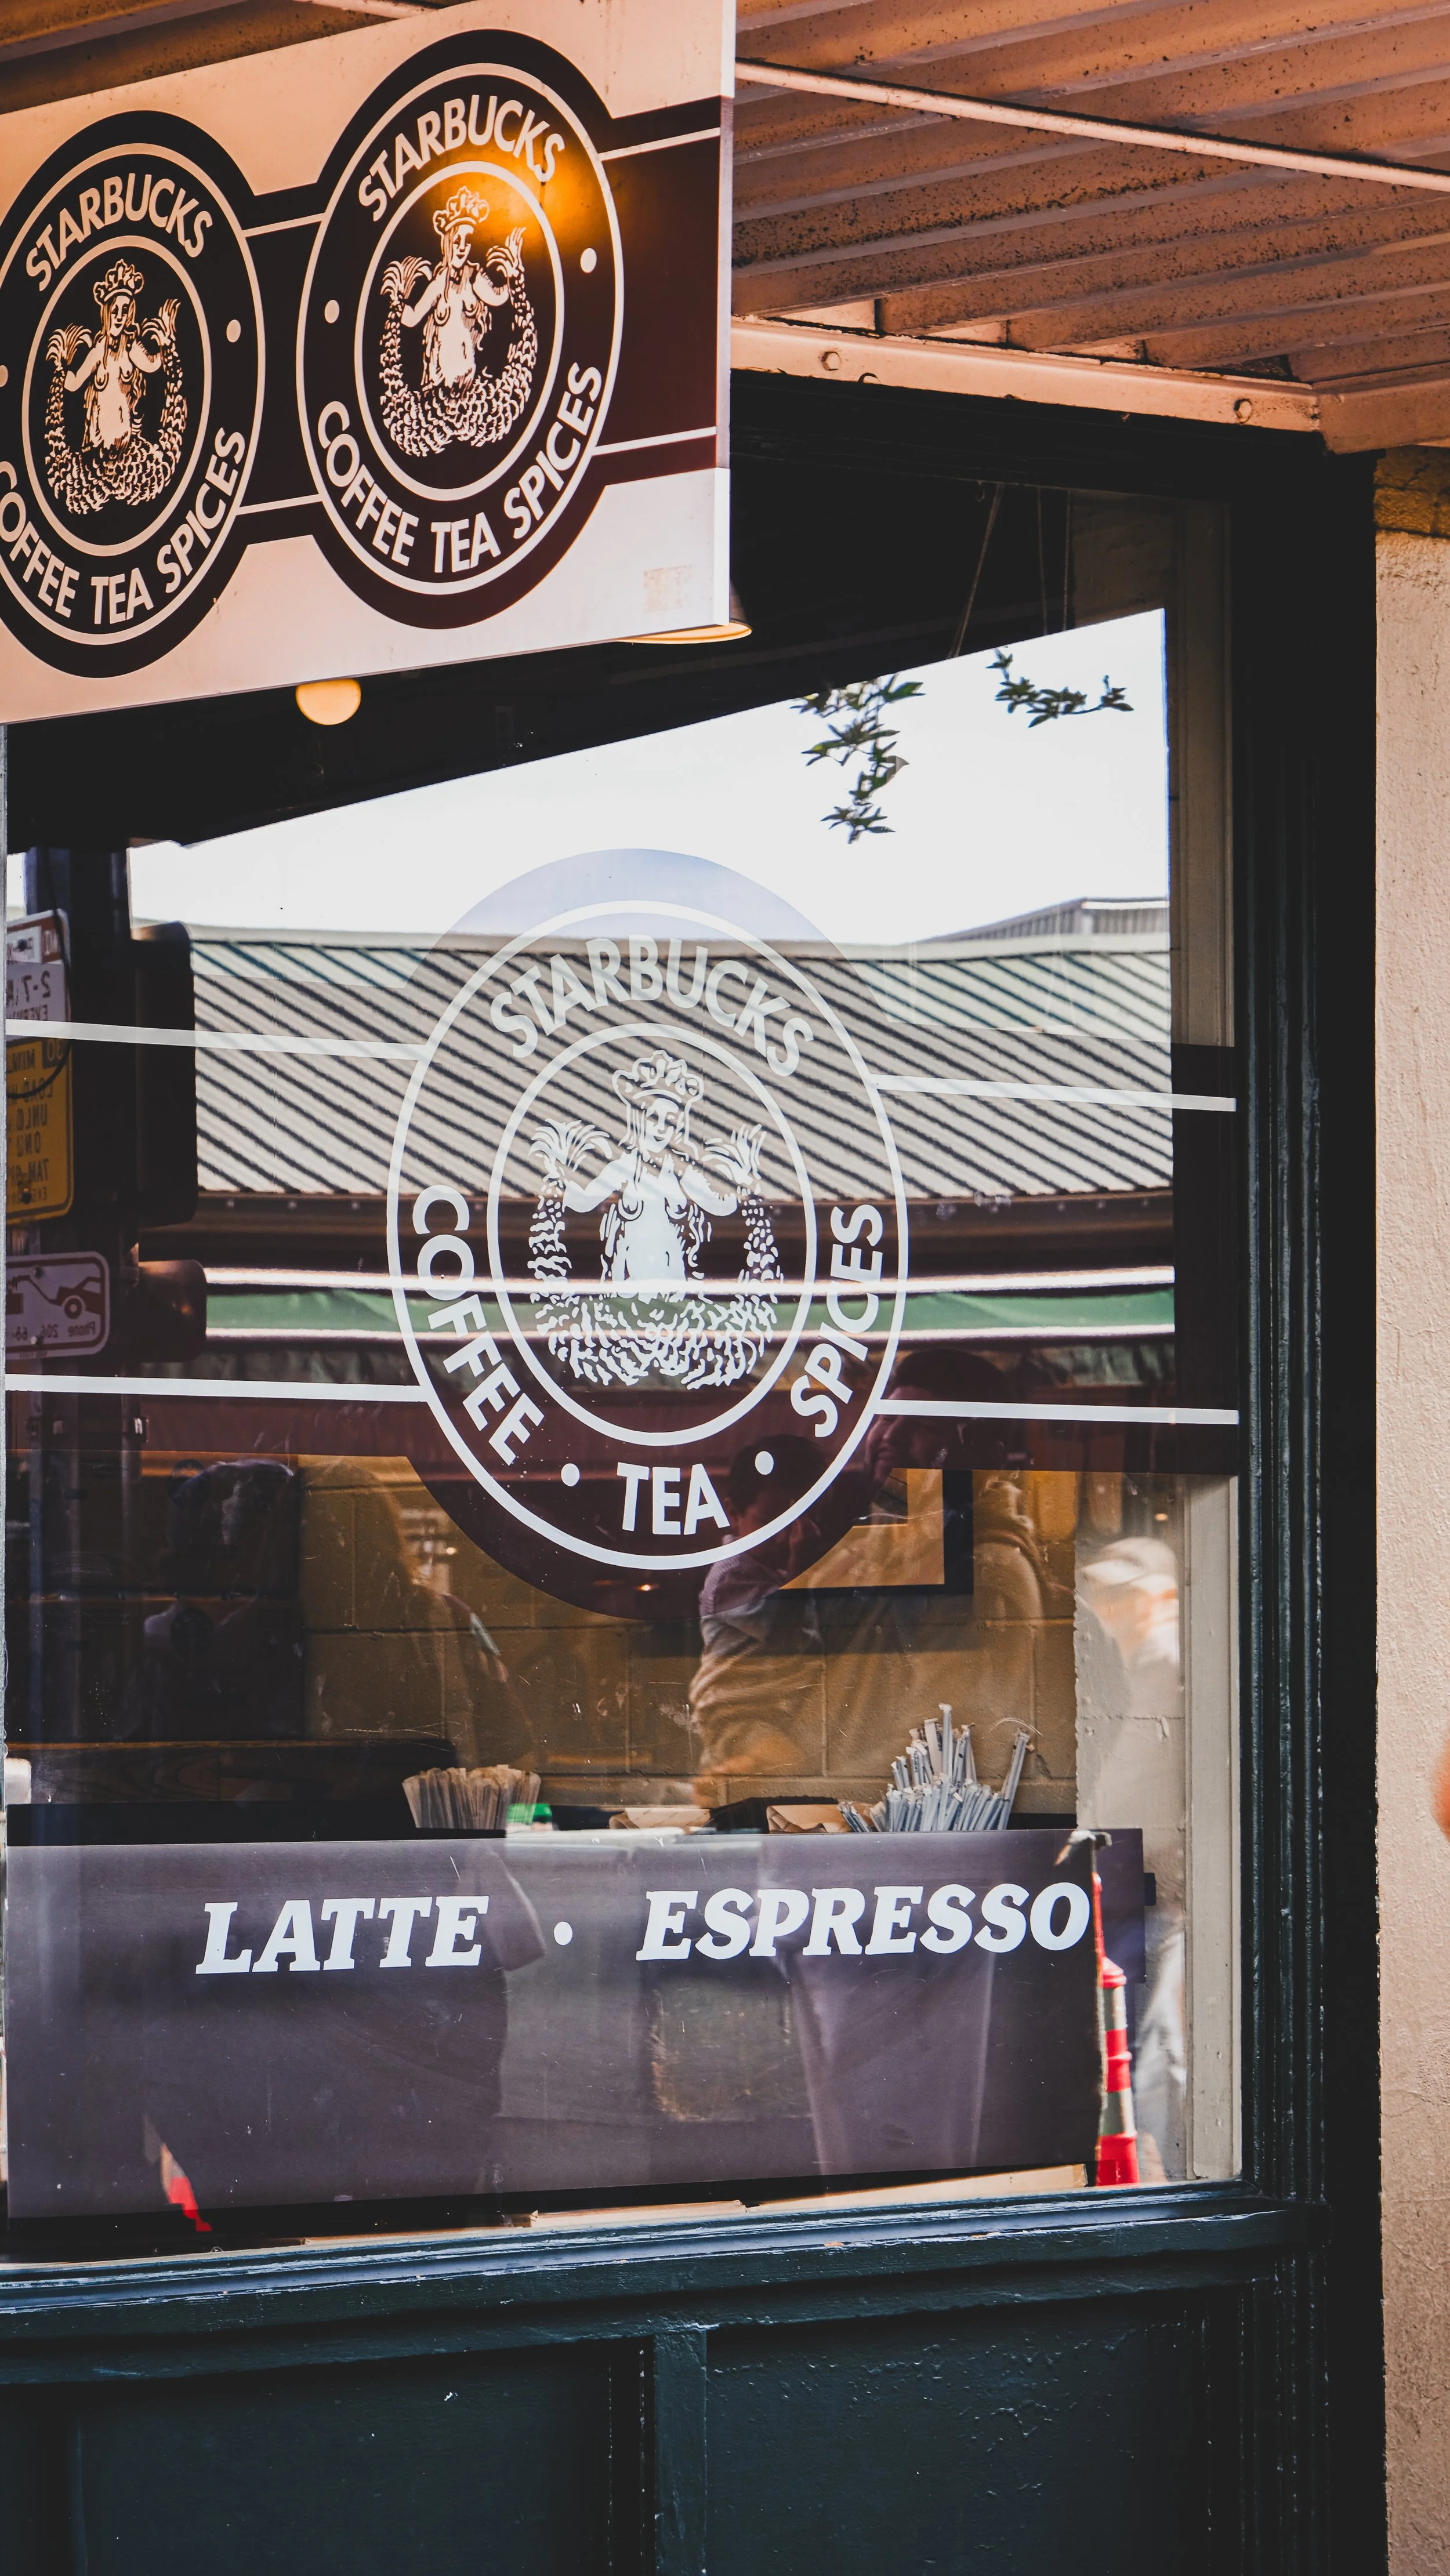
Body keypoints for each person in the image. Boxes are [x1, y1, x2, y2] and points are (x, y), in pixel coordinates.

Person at [401, 188, 510, 389]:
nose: (462, 247)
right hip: (439, 378)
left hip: (469, 375)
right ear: (447, 241)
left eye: (467, 241)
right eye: (457, 240)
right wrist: (399, 298)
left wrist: (514, 275)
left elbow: (499, 297)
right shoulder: (439, 282)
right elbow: (412, 317)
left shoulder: (474, 277)